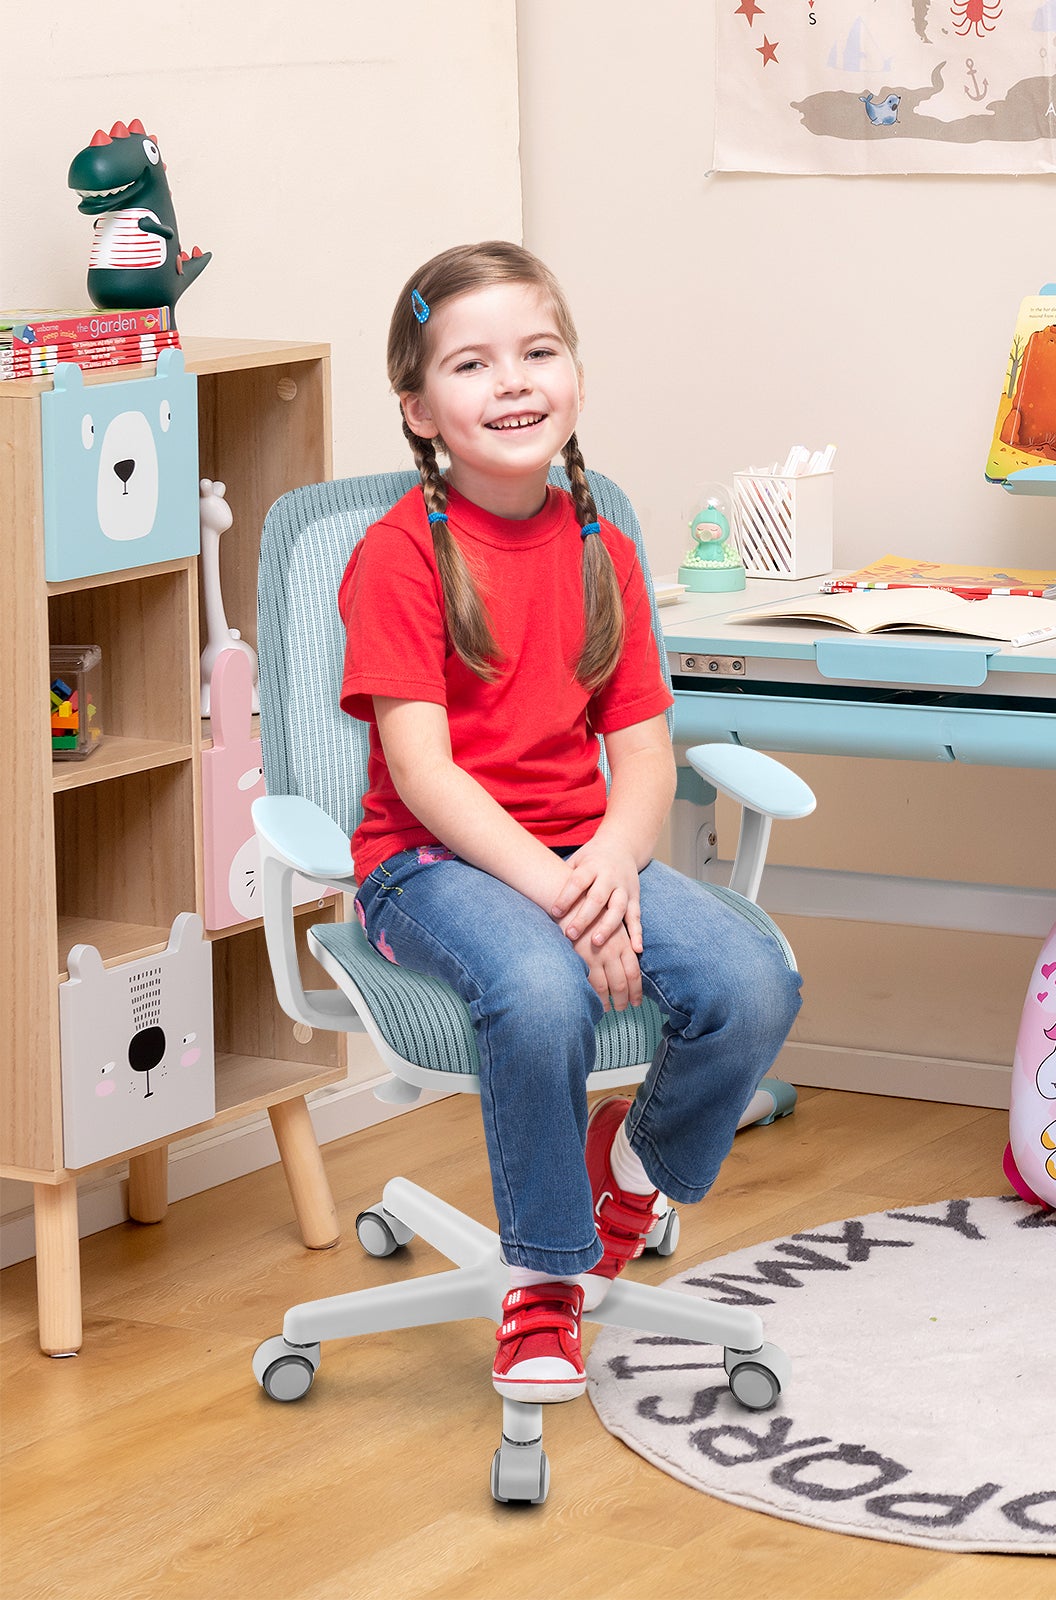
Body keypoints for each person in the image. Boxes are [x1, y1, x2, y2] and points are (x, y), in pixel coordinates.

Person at [338, 241, 803, 1403]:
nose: (512, 382)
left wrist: (606, 860)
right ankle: (545, 1279)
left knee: (752, 975)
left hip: (574, 852)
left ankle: (632, 1163)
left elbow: (643, 750)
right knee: (540, 988)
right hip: (429, 866)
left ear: (576, 378)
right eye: (471, 363)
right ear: (419, 408)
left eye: (538, 352)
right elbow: (424, 772)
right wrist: (564, 899)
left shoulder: (606, 549)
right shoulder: (398, 557)